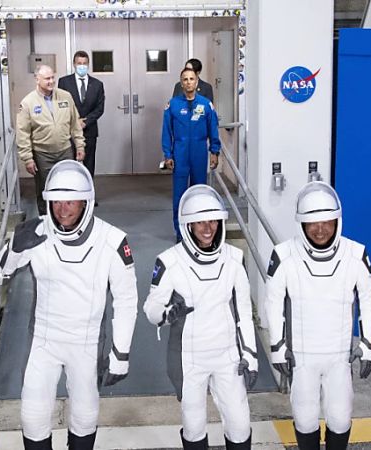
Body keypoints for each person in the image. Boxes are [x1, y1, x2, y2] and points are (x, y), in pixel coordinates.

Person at [0, 160, 138, 450]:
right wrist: (16, 248)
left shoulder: (113, 240)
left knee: (84, 418)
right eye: (57, 201)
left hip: (86, 343)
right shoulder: (35, 232)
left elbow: (126, 299)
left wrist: (121, 352)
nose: (63, 209)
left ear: (86, 202)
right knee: (32, 418)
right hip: (44, 342)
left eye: (71, 201)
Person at [264, 181, 371, 450]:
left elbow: (369, 299)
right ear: (301, 224)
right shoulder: (283, 256)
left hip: (339, 356)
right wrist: (277, 347)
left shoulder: (355, 254)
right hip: (302, 357)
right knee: (304, 421)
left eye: (326, 221)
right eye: (312, 222)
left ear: (337, 220)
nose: (320, 229)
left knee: (340, 419)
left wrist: (368, 345)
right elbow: (273, 302)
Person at [143, 184, 257, 450]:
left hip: (228, 356)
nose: (208, 228)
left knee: (240, 426)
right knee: (194, 428)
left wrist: (250, 355)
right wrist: (167, 313)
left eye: (213, 221)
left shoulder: (234, 258)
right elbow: (150, 309)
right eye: (200, 222)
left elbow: (243, 314)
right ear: (188, 226)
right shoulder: (169, 261)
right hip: (190, 358)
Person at [16, 64, 86, 215]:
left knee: (68, 188)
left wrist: (80, 146)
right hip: (42, 155)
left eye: (53, 77)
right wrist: (27, 158)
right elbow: (23, 133)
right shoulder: (28, 103)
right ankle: (46, 222)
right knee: (46, 190)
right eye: (47, 78)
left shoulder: (65, 97)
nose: (51, 81)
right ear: (37, 79)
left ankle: (67, 220)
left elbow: (75, 124)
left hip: (65, 151)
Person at [162, 68, 221, 241]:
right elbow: (166, 132)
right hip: (180, 153)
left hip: (199, 152)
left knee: (199, 194)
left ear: (197, 82)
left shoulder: (206, 105)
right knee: (179, 196)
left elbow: (213, 130)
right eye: (185, 79)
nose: (188, 82)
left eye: (191, 79)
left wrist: (214, 151)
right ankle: (180, 232)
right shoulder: (172, 105)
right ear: (181, 83)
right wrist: (168, 154)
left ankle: (198, 230)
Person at [58, 51, 105, 181]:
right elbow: (60, 106)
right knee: (70, 165)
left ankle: (89, 196)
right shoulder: (64, 82)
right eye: (79, 63)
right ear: (74, 64)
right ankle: (73, 196)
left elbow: (100, 108)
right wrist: (74, 121)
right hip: (69, 131)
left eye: (84, 63)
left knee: (89, 165)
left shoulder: (97, 85)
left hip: (89, 131)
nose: (82, 66)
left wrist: (86, 122)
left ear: (88, 64)